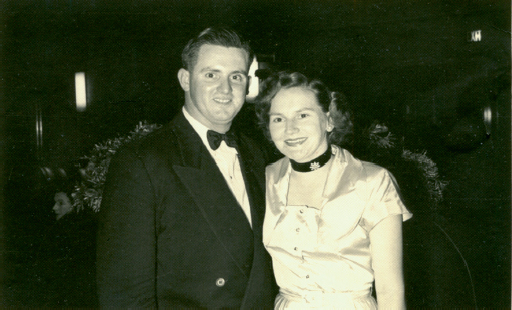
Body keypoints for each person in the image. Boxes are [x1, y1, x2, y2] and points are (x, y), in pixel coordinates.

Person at [96, 26, 277, 307]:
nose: (225, 89)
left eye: (236, 77)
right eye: (211, 75)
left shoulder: (256, 152)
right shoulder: (143, 160)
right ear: (185, 79)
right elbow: (126, 294)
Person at [255, 71, 412, 309]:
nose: (290, 129)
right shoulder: (263, 179)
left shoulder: (372, 181)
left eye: (303, 115)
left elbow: (390, 290)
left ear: (328, 120)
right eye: (278, 119)